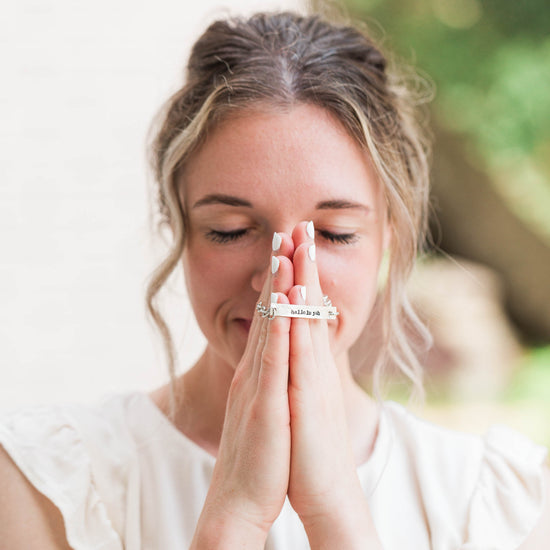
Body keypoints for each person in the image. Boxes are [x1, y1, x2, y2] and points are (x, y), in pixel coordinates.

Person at [1, 10, 548, 550]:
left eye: (332, 235)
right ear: (179, 226)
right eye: (231, 230)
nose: (280, 287)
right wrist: (234, 515)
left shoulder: (501, 504)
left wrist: (334, 509)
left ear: (392, 234)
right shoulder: (45, 484)